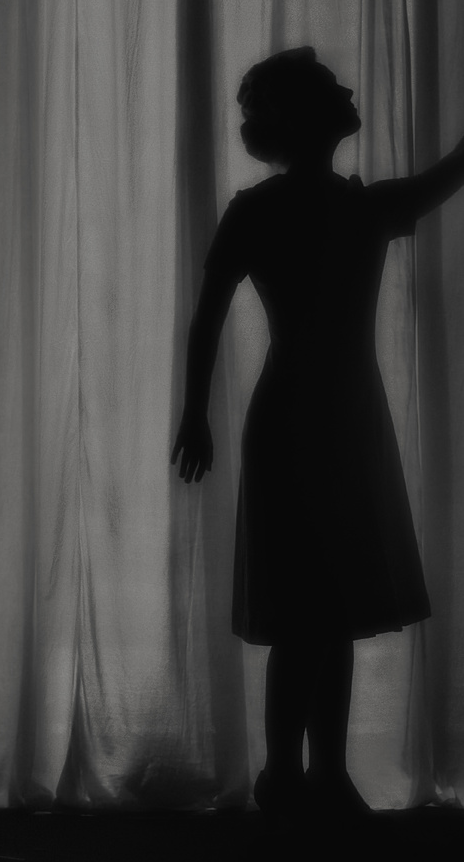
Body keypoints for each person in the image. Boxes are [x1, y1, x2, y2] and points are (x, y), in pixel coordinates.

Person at [170, 46, 464, 823]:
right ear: (302, 117)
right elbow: (206, 316)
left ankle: (321, 773)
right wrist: (193, 412)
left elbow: (448, 174)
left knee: (330, 610)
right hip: (309, 418)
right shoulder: (289, 210)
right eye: (333, 87)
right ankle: (285, 774)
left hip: (337, 415)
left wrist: (196, 411)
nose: (349, 89)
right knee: (312, 609)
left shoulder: (342, 206)